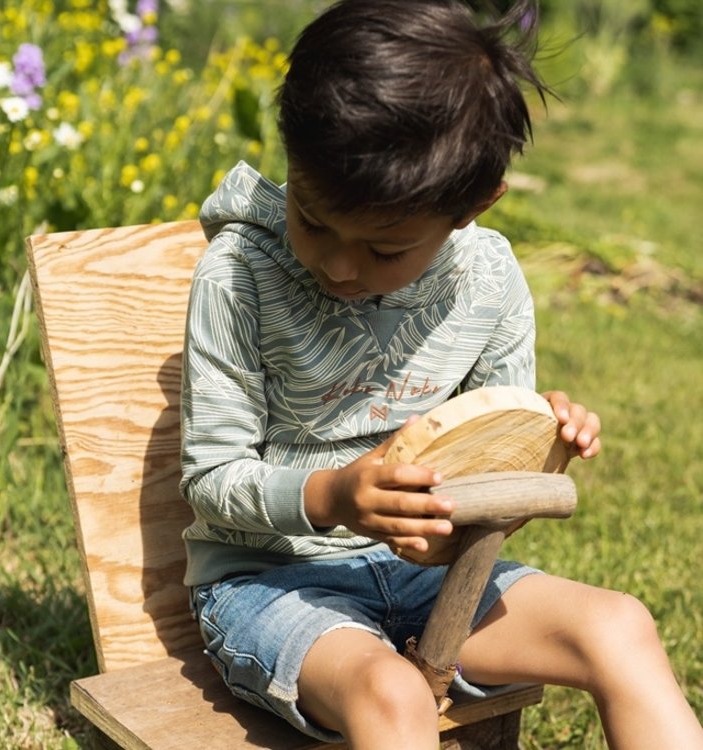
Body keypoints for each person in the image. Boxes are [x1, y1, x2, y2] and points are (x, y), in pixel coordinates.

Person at [179, 1, 703, 748]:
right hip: (272, 583)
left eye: (385, 249)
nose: (338, 264)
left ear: (472, 208)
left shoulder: (487, 282)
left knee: (620, 627)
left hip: (435, 582)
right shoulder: (237, 278)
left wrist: (533, 449)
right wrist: (335, 495)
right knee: (393, 695)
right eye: (313, 218)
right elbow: (212, 478)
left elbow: (489, 495)